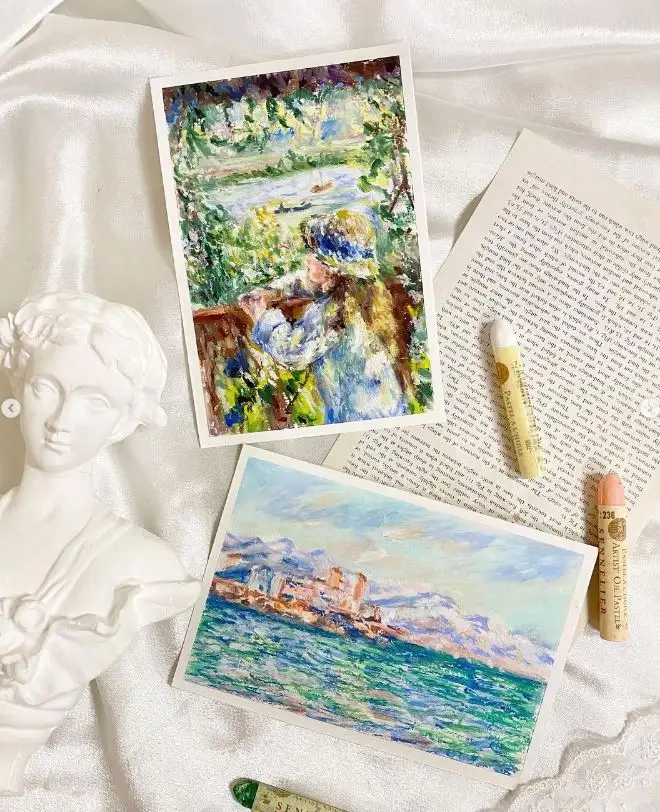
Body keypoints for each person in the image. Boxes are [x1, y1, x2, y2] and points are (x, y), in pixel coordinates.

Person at [0, 291, 199, 795]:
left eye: (95, 402)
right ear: (17, 386)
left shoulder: (142, 565)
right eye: (46, 388)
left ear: (124, 421)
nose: (60, 420)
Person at [245, 210, 409, 424]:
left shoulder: (334, 313)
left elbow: (291, 350)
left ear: (331, 270)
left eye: (314, 254)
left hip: (358, 417)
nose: (307, 259)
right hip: (388, 407)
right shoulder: (361, 297)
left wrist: (263, 316)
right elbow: (305, 283)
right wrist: (276, 291)